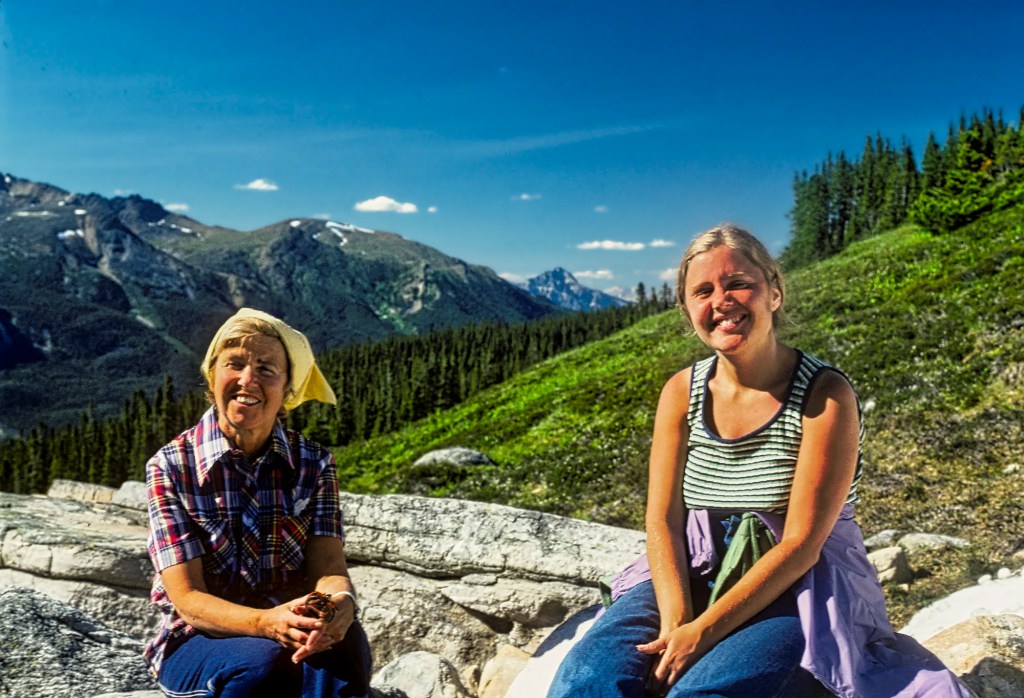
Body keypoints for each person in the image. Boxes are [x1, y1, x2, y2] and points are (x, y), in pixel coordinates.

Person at [547, 225, 969, 697]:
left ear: (774, 291)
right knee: (586, 679)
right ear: (687, 311)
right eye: (702, 291)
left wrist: (703, 633)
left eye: (739, 284)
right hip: (695, 563)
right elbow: (663, 518)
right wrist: (677, 620)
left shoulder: (824, 395)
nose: (722, 301)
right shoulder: (681, 392)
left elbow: (803, 543)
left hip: (793, 581)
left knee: (707, 690)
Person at [143, 307, 372, 697]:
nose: (247, 379)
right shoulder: (171, 466)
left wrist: (339, 605)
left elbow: (329, 568)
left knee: (345, 653)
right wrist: (267, 623)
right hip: (199, 638)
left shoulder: (314, 464)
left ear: (287, 389)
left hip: (289, 622)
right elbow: (188, 600)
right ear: (212, 374)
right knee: (261, 666)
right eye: (234, 364)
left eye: (267, 369)